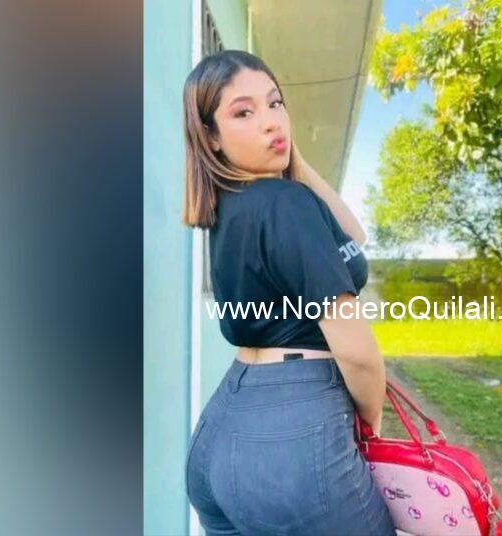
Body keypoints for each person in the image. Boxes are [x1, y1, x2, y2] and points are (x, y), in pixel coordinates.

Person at [180, 50, 397, 535]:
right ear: (210, 137)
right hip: (294, 435)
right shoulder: (286, 205)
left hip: (221, 433)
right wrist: (370, 426)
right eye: (243, 112)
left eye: (275, 103)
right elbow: (357, 354)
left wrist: (290, 157)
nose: (270, 121)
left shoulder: (232, 208)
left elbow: (354, 236)